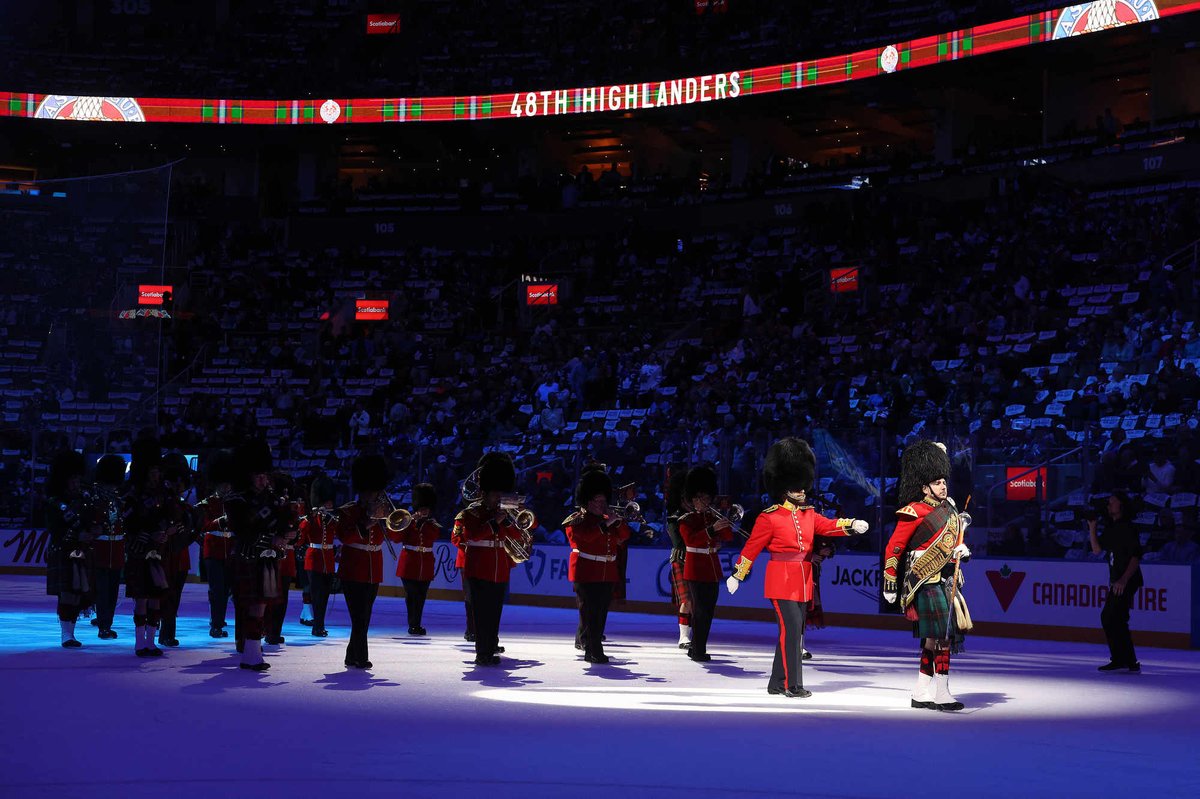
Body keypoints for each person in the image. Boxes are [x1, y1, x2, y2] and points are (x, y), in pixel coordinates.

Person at [727, 438, 869, 697]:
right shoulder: (769, 517)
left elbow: (828, 526)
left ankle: (775, 682)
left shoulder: (809, 514)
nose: (803, 490)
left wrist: (850, 525)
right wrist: (738, 574)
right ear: (785, 488)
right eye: (797, 486)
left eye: (803, 485)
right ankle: (792, 685)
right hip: (780, 580)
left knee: (791, 631)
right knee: (792, 631)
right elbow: (752, 548)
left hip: (803, 580)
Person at [881, 440, 972, 711]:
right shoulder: (913, 512)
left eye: (944, 481)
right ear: (924, 487)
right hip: (924, 581)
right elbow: (894, 548)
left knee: (933, 639)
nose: (943, 486)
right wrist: (890, 581)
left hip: (946, 580)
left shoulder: (951, 510)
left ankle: (921, 692)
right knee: (943, 637)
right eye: (937, 482)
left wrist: (962, 551)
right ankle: (942, 693)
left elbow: (952, 543)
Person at [452, 452, 526, 666]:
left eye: (501, 493)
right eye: (495, 494)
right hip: (478, 568)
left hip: (499, 569)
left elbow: (517, 535)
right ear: (484, 493)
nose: (498, 498)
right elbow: (472, 536)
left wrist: (511, 519)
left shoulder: (504, 514)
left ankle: (490, 646)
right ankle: (482, 653)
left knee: (494, 612)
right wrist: (494, 522)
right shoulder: (471, 514)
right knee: (481, 613)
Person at [226, 439, 288, 671]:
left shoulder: (273, 498)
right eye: (258, 476)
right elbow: (242, 530)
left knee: (262, 607)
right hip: (248, 557)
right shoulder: (237, 500)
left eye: (264, 475)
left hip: (267, 559)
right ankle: (251, 655)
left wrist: (286, 533)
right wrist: (271, 537)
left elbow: (281, 524)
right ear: (248, 476)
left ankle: (252, 654)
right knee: (253, 606)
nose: (263, 480)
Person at [564, 465, 631, 664]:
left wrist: (617, 521)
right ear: (588, 501)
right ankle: (593, 650)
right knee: (590, 613)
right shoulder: (577, 520)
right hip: (586, 571)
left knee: (601, 613)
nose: (602, 505)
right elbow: (584, 539)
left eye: (604, 501)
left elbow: (624, 536)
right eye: (598, 501)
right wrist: (606, 523)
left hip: (607, 572)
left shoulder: (607, 519)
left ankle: (592, 647)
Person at [331, 454, 392, 669]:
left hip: (374, 569)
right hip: (353, 569)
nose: (373, 495)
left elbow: (395, 535)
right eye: (370, 492)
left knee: (364, 615)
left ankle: (351, 655)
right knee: (359, 616)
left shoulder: (383, 511)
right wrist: (366, 523)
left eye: (375, 491)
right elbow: (345, 537)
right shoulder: (349, 511)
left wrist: (388, 517)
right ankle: (361, 657)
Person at [123, 436, 179, 658]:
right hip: (140, 551)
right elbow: (128, 523)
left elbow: (175, 518)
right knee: (142, 598)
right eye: (153, 471)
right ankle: (139, 643)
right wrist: (147, 535)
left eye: (158, 471)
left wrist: (167, 531)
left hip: (159, 550)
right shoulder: (133, 494)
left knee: (156, 597)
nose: (156, 475)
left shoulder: (165, 494)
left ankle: (151, 642)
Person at [677, 464, 733, 662]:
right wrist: (712, 530)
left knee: (708, 611)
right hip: (695, 569)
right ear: (693, 500)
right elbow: (691, 540)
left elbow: (728, 536)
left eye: (708, 498)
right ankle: (698, 649)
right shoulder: (686, 520)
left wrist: (724, 521)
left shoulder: (712, 517)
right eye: (701, 498)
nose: (706, 502)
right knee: (700, 610)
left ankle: (696, 646)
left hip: (712, 569)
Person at [1087, 493, 1143, 672]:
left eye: (1112, 502)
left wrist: (1123, 580)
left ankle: (1124, 660)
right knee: (1117, 618)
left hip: (1127, 580)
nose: (1109, 505)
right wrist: (1092, 528)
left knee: (1110, 616)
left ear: (1122, 505)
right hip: (1118, 580)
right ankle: (1127, 661)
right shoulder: (1111, 527)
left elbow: (1135, 556)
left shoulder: (1128, 527)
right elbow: (1097, 550)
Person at [45, 451, 95, 649]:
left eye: (77, 478)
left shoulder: (85, 499)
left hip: (81, 550)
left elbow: (89, 522)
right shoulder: (54, 503)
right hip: (63, 550)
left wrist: (93, 531)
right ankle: (66, 634)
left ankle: (71, 633)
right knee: (66, 592)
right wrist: (77, 536)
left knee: (77, 592)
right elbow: (54, 529)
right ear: (63, 480)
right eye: (72, 479)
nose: (76, 482)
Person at [157, 453, 196, 649]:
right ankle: (161, 630)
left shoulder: (185, 504)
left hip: (179, 555)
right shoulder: (161, 501)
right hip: (164, 554)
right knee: (164, 594)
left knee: (174, 595)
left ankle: (167, 632)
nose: (179, 485)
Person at [391, 483, 440, 636]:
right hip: (409, 564)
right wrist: (410, 522)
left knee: (421, 596)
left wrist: (421, 523)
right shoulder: (408, 522)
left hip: (425, 565)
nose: (425, 511)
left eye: (427, 509)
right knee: (411, 595)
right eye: (422, 508)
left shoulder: (432, 524)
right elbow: (396, 538)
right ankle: (413, 624)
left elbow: (433, 536)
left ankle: (416, 624)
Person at [198, 450, 236, 639]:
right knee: (217, 590)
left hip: (231, 550)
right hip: (213, 551)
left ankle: (219, 620)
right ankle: (216, 624)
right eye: (223, 484)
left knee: (228, 590)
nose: (226, 487)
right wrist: (220, 521)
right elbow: (203, 525)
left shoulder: (235, 502)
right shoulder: (207, 503)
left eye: (228, 483)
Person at [91, 454, 127, 640]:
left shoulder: (117, 498)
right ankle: (103, 624)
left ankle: (106, 623)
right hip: (100, 549)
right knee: (102, 590)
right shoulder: (94, 497)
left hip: (116, 549)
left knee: (112, 590)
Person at [298, 476, 338, 637]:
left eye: (330, 503)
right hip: (314, 559)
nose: (330, 506)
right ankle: (317, 626)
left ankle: (320, 624)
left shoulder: (333, 519)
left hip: (328, 560)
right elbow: (299, 539)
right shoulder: (311, 519)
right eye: (327, 503)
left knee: (325, 595)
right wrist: (306, 520)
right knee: (316, 595)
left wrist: (330, 519)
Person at [663, 464, 693, 649]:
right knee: (686, 600)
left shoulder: (699, 516)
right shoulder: (674, 519)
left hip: (698, 561)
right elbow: (679, 543)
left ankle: (692, 635)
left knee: (696, 601)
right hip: (681, 559)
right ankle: (683, 637)